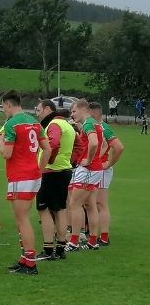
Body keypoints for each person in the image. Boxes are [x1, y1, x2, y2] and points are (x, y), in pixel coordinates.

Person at [0, 91, 51, 275]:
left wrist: (1, 141)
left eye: (3, 106)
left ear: (8, 104)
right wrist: (40, 169)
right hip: (32, 175)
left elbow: (7, 154)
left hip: (21, 176)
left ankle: (30, 262)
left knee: (23, 219)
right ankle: (24, 259)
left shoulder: (11, 124)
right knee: (21, 219)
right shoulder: (35, 122)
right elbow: (48, 149)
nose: (4, 110)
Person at [34, 100, 77, 260]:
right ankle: (60, 249)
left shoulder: (53, 125)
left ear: (47, 109)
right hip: (64, 170)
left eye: (38, 110)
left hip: (52, 172)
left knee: (43, 209)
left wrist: (45, 164)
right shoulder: (67, 125)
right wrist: (70, 161)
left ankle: (47, 249)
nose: (37, 113)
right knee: (60, 210)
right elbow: (78, 145)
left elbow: (52, 144)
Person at [66, 99, 105, 252]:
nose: (72, 114)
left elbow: (94, 143)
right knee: (90, 205)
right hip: (96, 169)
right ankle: (93, 241)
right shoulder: (94, 123)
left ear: (83, 109)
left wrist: (88, 159)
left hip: (88, 169)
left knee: (74, 204)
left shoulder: (88, 123)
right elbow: (100, 143)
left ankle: (74, 242)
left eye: (74, 111)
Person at [90, 103, 124, 247]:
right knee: (92, 203)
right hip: (94, 169)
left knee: (100, 203)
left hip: (102, 169)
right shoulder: (93, 127)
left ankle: (104, 237)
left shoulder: (104, 128)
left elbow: (119, 147)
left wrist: (109, 164)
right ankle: (93, 233)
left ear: (94, 114)